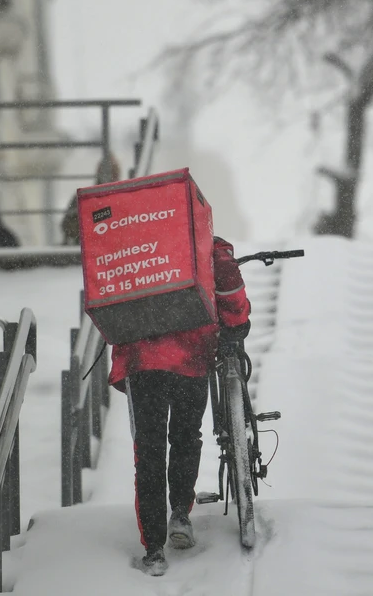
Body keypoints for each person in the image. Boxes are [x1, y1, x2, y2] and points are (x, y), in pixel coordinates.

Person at [108, 236, 251, 576]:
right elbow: (229, 286)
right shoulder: (203, 241)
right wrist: (237, 324)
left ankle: (154, 548)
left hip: (142, 359)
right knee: (186, 436)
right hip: (190, 352)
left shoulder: (128, 245)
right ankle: (180, 516)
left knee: (149, 449)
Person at [61, 155, 122, 245]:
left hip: (102, 249)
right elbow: (68, 225)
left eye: (113, 172)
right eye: (111, 172)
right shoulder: (84, 197)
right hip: (88, 249)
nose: (111, 176)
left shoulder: (121, 198)